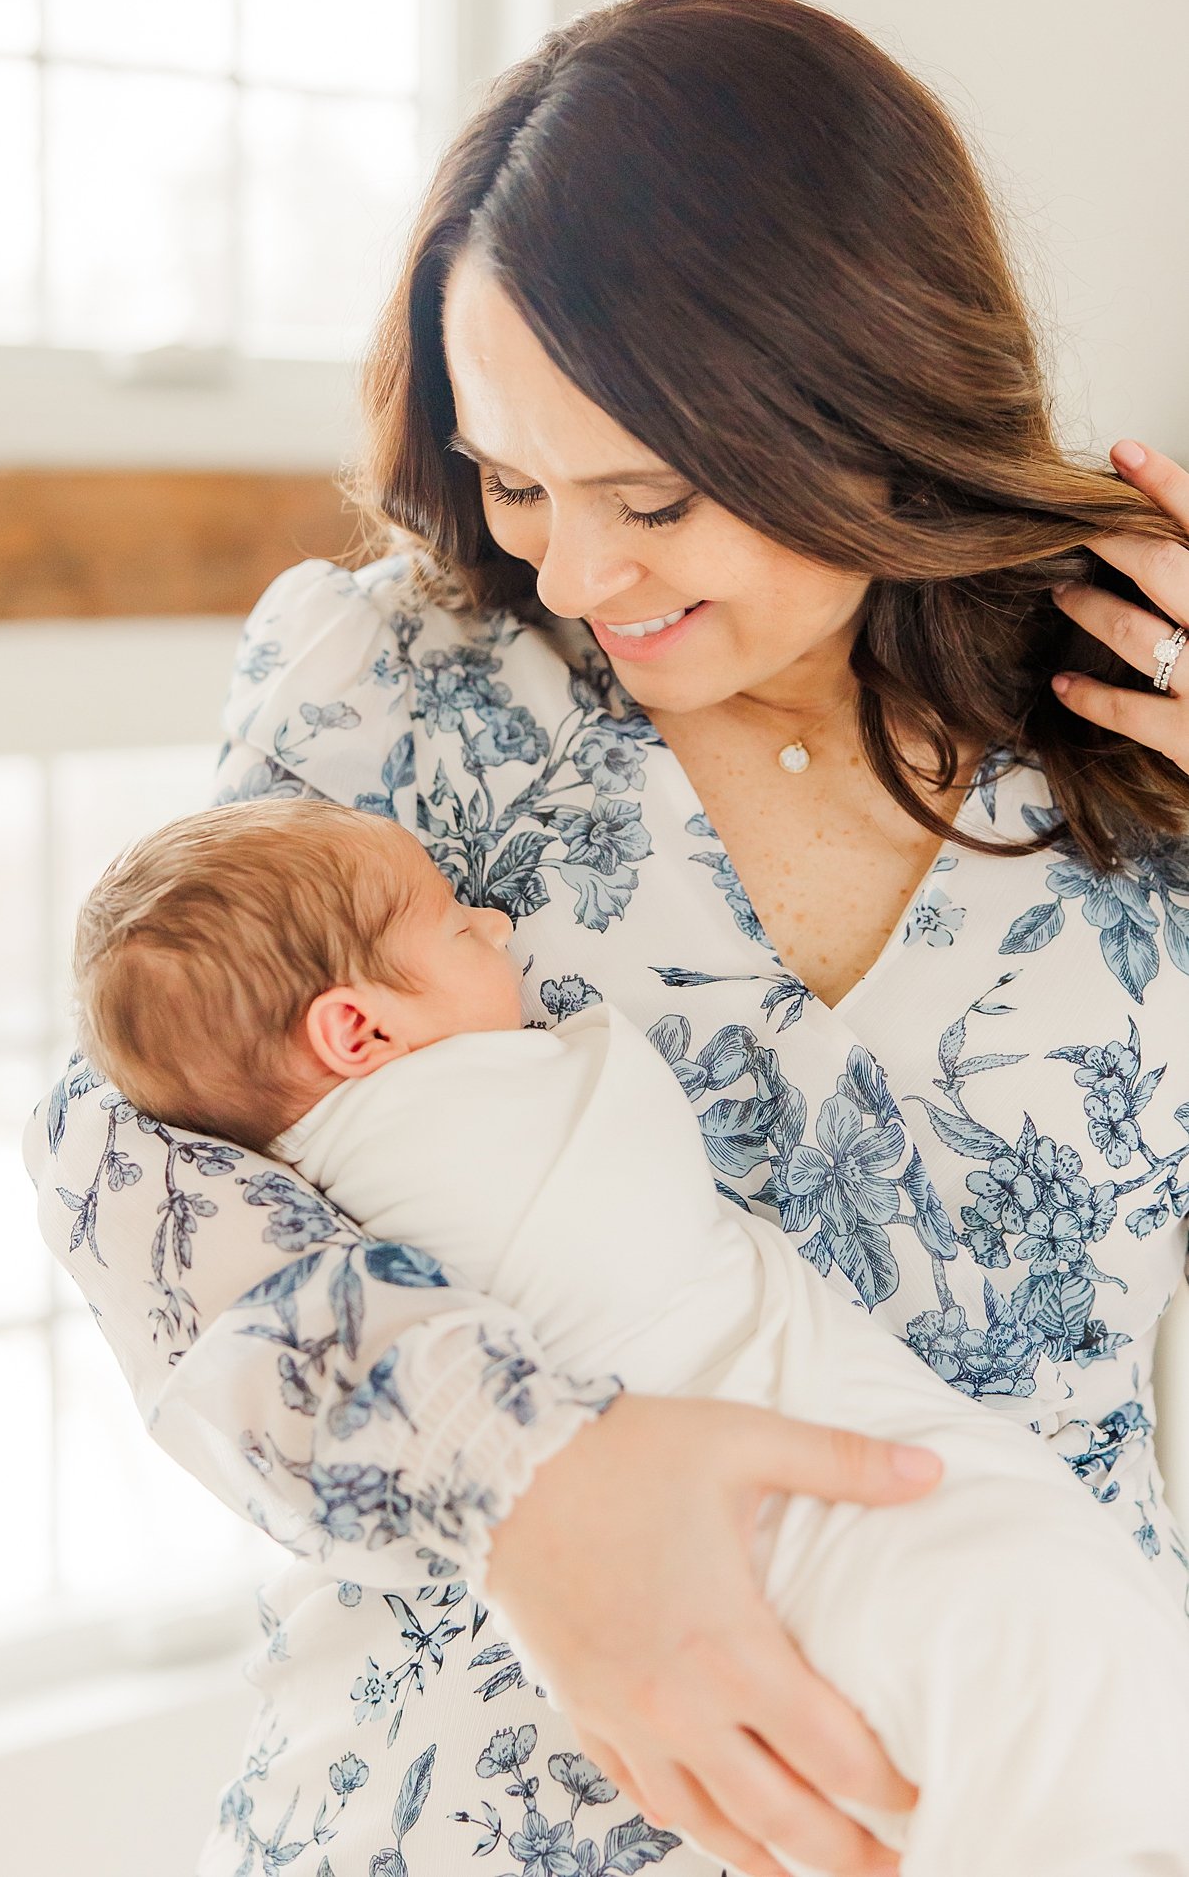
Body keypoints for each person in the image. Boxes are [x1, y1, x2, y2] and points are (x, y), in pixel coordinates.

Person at [27, 0, 1189, 1877]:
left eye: (650, 495)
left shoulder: (1134, 729)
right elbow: (115, 1156)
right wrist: (523, 1488)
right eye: (516, 479)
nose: (575, 570)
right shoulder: (408, 688)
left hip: (1035, 1791)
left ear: (874, 403)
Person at [60, 793, 1189, 1876]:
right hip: (641, 1607)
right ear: (358, 1029)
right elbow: (121, 1182)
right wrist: (519, 1463)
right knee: (1017, 1654)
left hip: (912, 1506)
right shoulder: (332, 786)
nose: (495, 922)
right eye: (461, 924)